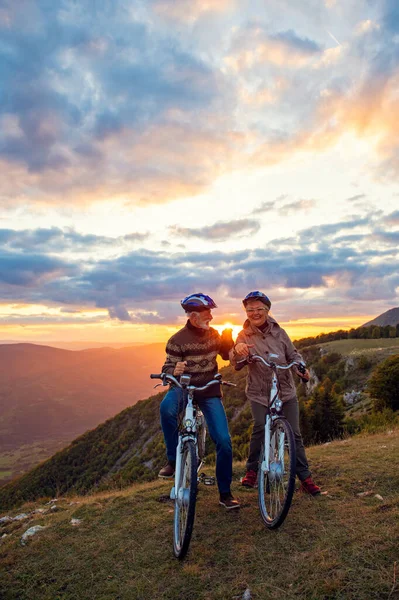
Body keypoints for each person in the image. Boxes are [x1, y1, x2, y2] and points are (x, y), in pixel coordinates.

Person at [231, 291, 321, 496]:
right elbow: (234, 359)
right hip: (259, 392)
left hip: (285, 390)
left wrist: (301, 367)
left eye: (259, 309)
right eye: (250, 310)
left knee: (294, 434)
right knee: (260, 427)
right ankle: (252, 471)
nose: (254, 313)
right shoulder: (243, 334)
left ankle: (305, 478)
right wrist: (239, 349)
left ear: (267, 310)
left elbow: (293, 353)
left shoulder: (280, 332)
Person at [158, 293, 240, 509]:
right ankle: (173, 461)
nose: (211, 317)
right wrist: (173, 370)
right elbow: (166, 368)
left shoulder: (214, 335)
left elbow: (226, 356)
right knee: (166, 409)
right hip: (183, 388)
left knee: (223, 440)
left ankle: (225, 493)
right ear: (194, 316)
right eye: (207, 313)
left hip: (208, 389)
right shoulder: (177, 340)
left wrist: (228, 338)